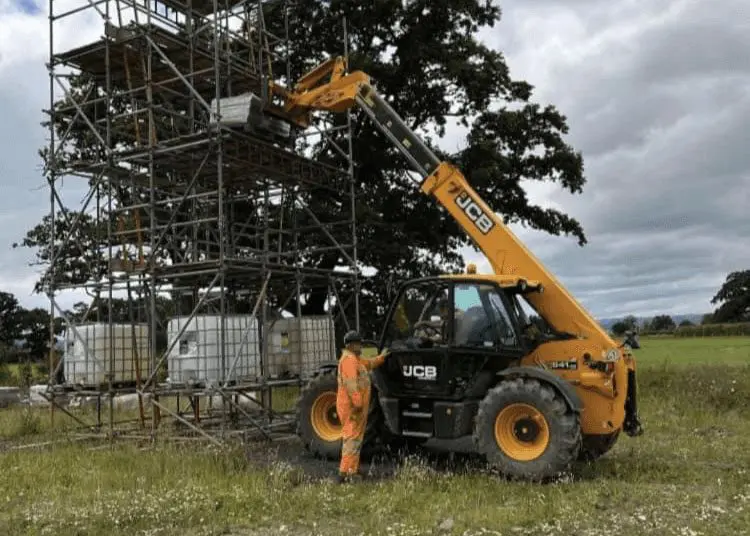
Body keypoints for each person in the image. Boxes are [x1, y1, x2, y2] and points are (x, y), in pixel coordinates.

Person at [336, 330, 390, 483]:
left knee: (356, 439)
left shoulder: (356, 359)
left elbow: (369, 364)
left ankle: (350, 469)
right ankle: (346, 472)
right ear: (351, 345)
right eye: (359, 343)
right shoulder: (348, 360)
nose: (361, 346)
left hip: (356, 408)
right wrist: (358, 402)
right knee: (351, 439)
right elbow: (351, 384)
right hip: (352, 408)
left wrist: (382, 358)